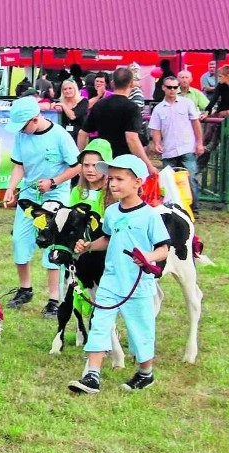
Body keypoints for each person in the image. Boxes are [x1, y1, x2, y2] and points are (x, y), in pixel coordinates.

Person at [68, 155, 170, 394]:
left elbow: (163, 249)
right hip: (111, 280)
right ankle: (91, 375)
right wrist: (89, 246)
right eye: (111, 179)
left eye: (119, 179)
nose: (112, 184)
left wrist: (148, 256)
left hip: (137, 284)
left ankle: (145, 373)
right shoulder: (112, 212)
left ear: (137, 182)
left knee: (140, 329)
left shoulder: (150, 216)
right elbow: (108, 238)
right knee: (100, 323)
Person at [3, 96, 81, 317]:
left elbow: (76, 167)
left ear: (35, 119)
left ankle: (54, 300)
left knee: (51, 245)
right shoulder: (21, 135)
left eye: (23, 125)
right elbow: (19, 166)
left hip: (56, 194)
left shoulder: (60, 136)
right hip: (30, 193)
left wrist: (53, 182)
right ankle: (25, 289)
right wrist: (11, 188)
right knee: (20, 239)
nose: (20, 130)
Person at [78, 67, 157, 177]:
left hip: (104, 162)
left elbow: (82, 133)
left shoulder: (100, 104)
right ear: (131, 84)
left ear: (112, 83)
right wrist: (148, 165)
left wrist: (83, 160)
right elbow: (132, 139)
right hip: (125, 163)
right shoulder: (132, 108)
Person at [149, 76, 204, 213]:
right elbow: (155, 129)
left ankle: (194, 208)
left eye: (175, 87)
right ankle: (171, 207)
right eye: (169, 87)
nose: (172, 90)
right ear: (163, 88)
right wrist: (157, 143)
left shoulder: (187, 103)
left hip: (187, 147)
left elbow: (196, 123)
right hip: (169, 149)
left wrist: (199, 143)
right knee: (168, 181)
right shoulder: (158, 109)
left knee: (191, 179)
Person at [69, 138, 114, 216]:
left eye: (95, 165)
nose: (90, 170)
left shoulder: (115, 193)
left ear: (107, 167)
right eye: (86, 165)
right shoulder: (76, 191)